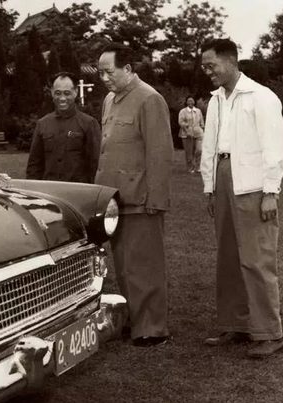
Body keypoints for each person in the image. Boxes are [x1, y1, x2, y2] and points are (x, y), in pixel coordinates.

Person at [199, 38, 283, 358]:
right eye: (204, 67)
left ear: (231, 61)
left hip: (253, 184)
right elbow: (209, 147)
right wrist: (210, 187)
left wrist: (270, 191)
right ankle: (236, 324)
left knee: (256, 258)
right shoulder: (216, 100)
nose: (208, 72)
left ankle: (269, 333)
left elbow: (274, 148)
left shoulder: (261, 97)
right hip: (223, 177)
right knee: (228, 257)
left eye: (212, 65)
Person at [95, 43, 174, 347]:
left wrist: (156, 200)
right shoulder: (109, 100)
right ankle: (134, 320)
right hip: (115, 199)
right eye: (100, 72)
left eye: (109, 72)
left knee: (146, 265)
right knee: (124, 266)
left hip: (142, 199)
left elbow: (160, 154)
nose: (104, 78)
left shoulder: (149, 99)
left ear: (127, 69)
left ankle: (152, 328)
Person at [26, 72, 101, 183]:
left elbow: (95, 164)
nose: (62, 98)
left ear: (75, 92)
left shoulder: (89, 123)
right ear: (52, 92)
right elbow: (34, 165)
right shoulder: (43, 124)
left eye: (67, 93)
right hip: (49, 189)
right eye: (58, 93)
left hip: (78, 189)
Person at [178, 96, 205, 173]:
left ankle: (198, 166)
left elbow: (201, 122)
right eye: (188, 101)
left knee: (199, 150)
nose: (190, 102)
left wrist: (202, 129)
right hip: (187, 134)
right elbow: (181, 122)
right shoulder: (183, 111)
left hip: (198, 133)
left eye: (192, 101)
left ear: (194, 102)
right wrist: (187, 128)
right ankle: (190, 167)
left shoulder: (198, 111)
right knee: (189, 152)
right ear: (186, 102)